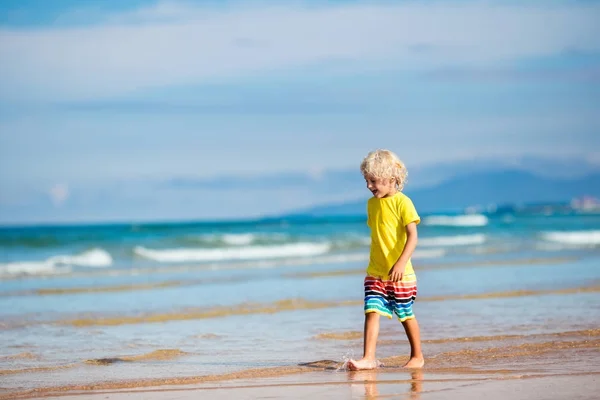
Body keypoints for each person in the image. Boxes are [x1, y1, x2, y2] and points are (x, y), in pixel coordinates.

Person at [348, 149, 424, 370]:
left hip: (401, 274)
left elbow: (413, 236)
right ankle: (368, 358)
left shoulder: (403, 203)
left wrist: (400, 263)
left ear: (391, 178)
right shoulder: (371, 205)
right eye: (367, 181)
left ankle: (417, 356)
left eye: (373, 181)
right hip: (376, 271)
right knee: (371, 311)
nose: (369, 186)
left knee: (405, 314)